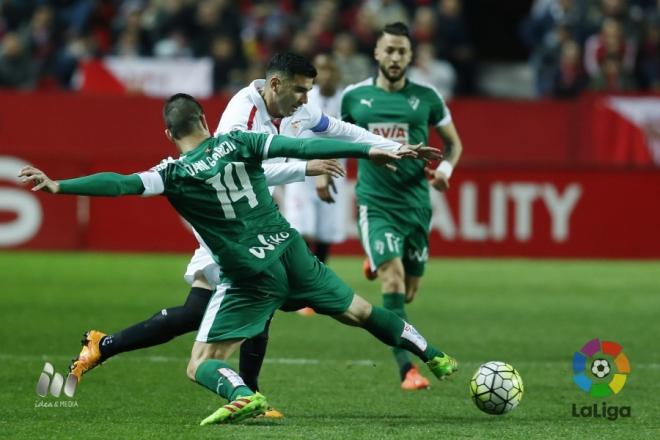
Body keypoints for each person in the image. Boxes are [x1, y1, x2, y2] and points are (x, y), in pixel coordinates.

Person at [20, 93, 457, 425]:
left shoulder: (171, 173)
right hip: (290, 248)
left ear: (169, 135)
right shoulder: (239, 140)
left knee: (201, 362)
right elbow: (300, 148)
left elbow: (119, 184)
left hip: (249, 272)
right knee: (360, 311)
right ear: (207, 120)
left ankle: (243, 393)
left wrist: (60, 185)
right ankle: (435, 354)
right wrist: (368, 150)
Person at [341, 22, 464, 391]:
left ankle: (376, 259)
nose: (395, 57)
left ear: (411, 56)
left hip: (415, 205)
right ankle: (407, 370)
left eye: (402, 51)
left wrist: (444, 170)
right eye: (389, 50)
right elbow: (331, 136)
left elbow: (454, 145)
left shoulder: (427, 97)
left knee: (408, 291)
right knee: (392, 280)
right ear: (377, 53)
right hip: (376, 203)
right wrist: (320, 173)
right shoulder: (354, 97)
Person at [283, 53, 347, 265]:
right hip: (302, 174)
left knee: (325, 232)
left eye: (330, 69)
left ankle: (319, 280)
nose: (326, 75)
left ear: (337, 73)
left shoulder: (346, 100)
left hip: (333, 173)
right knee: (301, 229)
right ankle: (303, 278)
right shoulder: (305, 98)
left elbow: (347, 137)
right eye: (321, 70)